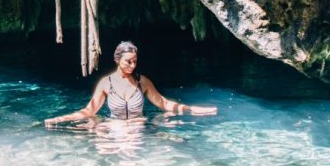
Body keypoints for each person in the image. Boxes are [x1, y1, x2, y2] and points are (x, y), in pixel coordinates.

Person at [45, 41, 217, 125]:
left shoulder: (142, 82)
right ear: (117, 60)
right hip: (114, 127)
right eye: (128, 61)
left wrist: (194, 110)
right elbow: (89, 111)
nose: (133, 65)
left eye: (135, 61)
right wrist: (61, 118)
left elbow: (164, 103)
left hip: (137, 127)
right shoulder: (106, 83)